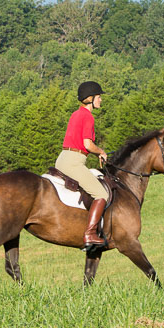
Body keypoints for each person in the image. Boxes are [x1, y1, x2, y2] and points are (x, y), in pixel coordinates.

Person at [57, 81, 110, 249]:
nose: (101, 100)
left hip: (63, 158)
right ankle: (90, 234)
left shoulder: (75, 114)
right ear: (90, 99)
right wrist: (101, 152)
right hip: (74, 162)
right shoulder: (88, 116)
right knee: (102, 194)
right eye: (99, 97)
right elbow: (87, 144)